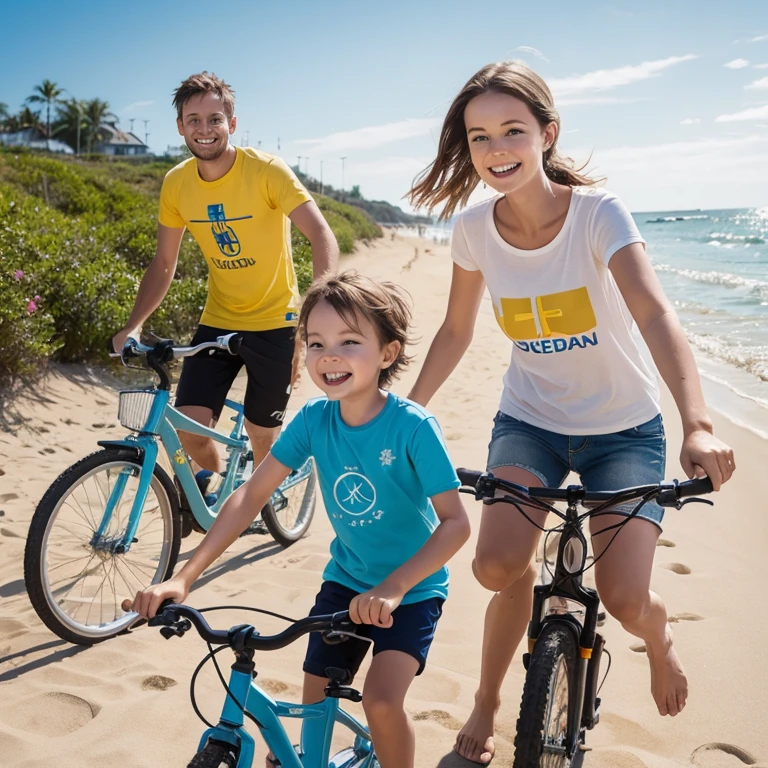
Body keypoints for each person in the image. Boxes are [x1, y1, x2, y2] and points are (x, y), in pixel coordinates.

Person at [407, 61, 735, 764]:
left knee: (624, 598)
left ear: (547, 134)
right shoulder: (472, 231)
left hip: (624, 428)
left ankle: (660, 636)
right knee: (496, 566)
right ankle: (490, 700)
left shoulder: (598, 214)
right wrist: (405, 413)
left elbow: (654, 313)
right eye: (480, 136)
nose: (496, 149)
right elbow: (457, 332)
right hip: (531, 422)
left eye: (513, 131)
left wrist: (697, 422)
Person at [132, 271, 472, 768]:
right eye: (316, 343)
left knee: (380, 701)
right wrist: (182, 578)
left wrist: (395, 588)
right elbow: (250, 495)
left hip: (413, 591)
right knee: (315, 707)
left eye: (349, 342)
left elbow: (456, 525)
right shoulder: (315, 419)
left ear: (387, 354)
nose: (329, 356)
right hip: (346, 582)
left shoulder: (412, 427)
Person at [112, 72, 338, 513]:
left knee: (261, 436)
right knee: (191, 434)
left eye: (215, 118)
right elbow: (163, 264)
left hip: (277, 321)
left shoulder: (267, 171)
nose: (204, 128)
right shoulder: (177, 183)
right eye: (193, 119)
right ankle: (214, 485)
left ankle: (264, 489)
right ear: (179, 126)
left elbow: (323, 236)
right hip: (218, 319)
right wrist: (133, 325)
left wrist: (317, 313)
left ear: (232, 123)